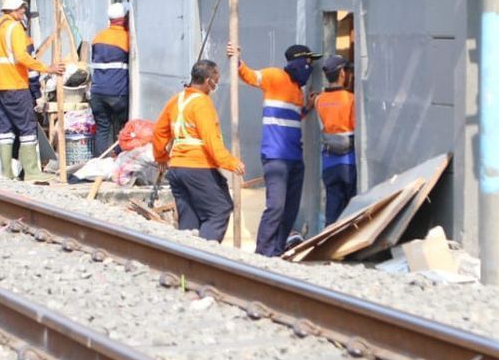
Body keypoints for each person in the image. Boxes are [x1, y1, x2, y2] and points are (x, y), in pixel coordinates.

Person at [228, 41, 321, 257]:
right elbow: (250, 76)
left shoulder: (298, 91)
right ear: (299, 61)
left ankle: (277, 251)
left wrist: (306, 107)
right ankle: (263, 253)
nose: (310, 66)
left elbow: (293, 118)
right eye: (308, 61)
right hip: (276, 157)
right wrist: (236, 59)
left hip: (295, 158)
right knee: (276, 207)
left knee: (290, 210)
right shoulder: (275, 77)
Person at [151, 59, 245, 242]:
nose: (217, 82)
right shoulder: (202, 104)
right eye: (216, 78)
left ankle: (186, 259)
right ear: (208, 79)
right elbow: (211, 140)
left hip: (177, 169)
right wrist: (231, 163)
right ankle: (204, 257)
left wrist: (161, 157)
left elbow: (159, 132)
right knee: (220, 209)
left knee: (189, 219)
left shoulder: (176, 100)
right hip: (198, 167)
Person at [0, 0, 64, 180]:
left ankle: (6, 173)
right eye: (21, 8)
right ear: (13, 10)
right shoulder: (15, 28)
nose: (23, 11)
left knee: (6, 130)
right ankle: (33, 173)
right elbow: (22, 56)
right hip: (15, 86)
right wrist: (47, 68)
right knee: (27, 128)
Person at [312, 55, 357, 227]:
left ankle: (328, 243)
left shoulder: (319, 100)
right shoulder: (351, 99)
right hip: (349, 162)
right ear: (342, 75)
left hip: (329, 162)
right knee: (352, 210)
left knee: (332, 207)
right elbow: (356, 128)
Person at [89, 2, 130, 157]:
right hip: (117, 93)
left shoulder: (98, 37)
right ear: (124, 19)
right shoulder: (126, 39)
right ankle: (119, 157)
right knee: (125, 127)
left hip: (97, 92)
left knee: (102, 128)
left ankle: (100, 161)